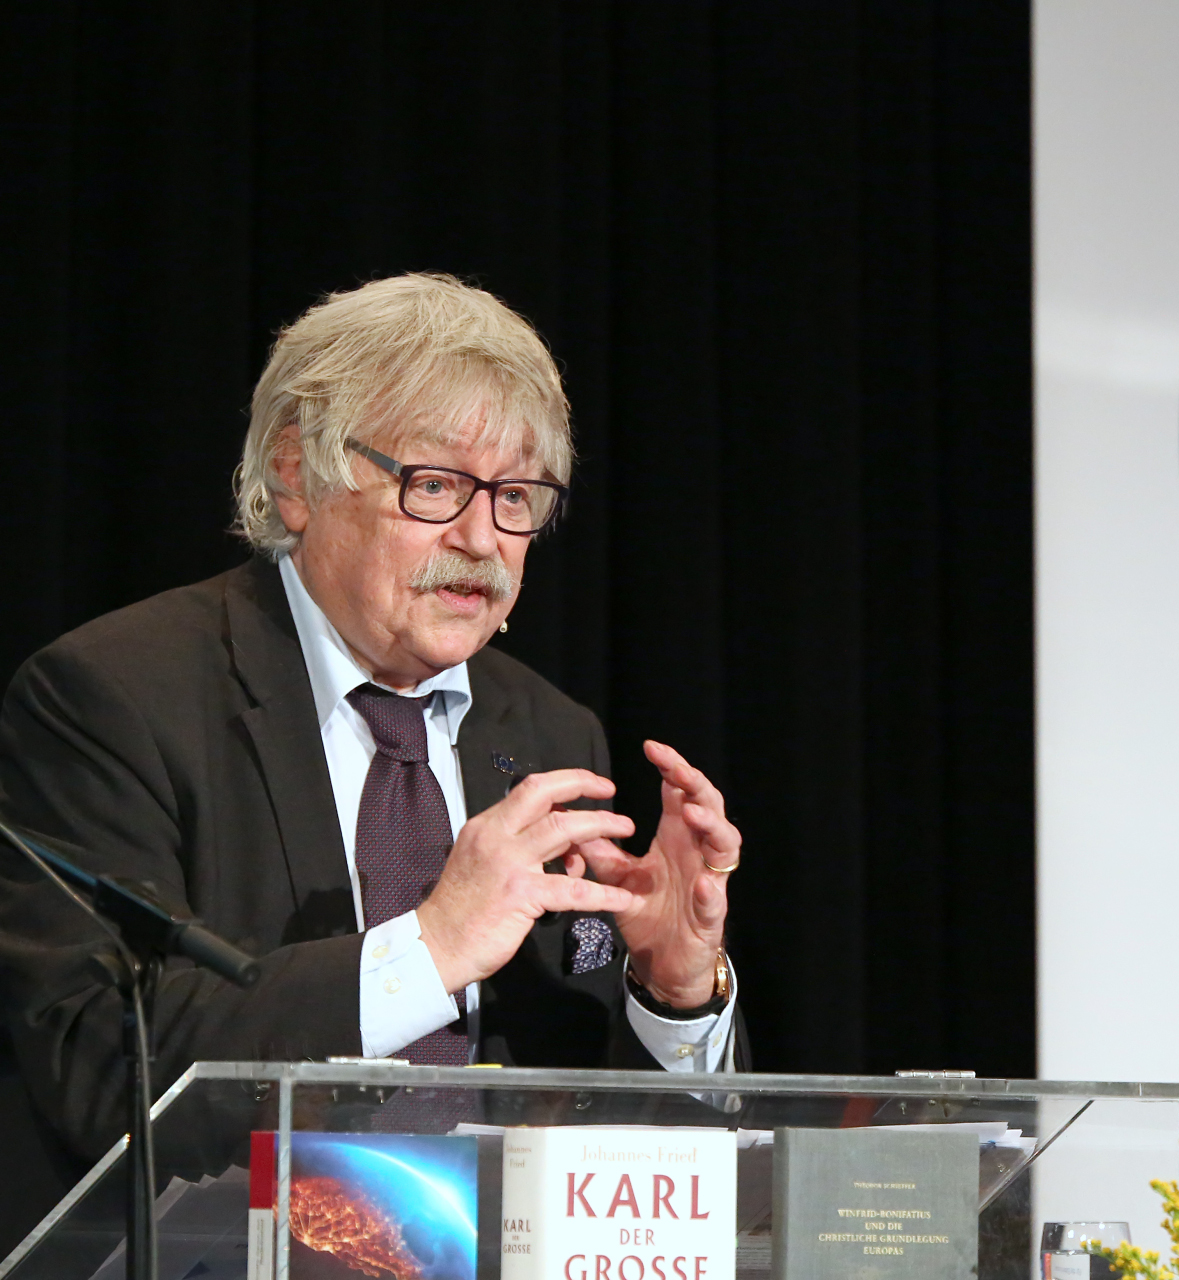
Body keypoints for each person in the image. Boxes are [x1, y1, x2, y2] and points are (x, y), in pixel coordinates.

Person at [0, 273, 745, 1190]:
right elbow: (99, 1062)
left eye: (515, 496)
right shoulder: (115, 697)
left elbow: (604, 1148)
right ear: (297, 475)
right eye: (435, 485)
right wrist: (429, 950)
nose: (483, 539)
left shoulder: (551, 733)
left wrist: (672, 993)